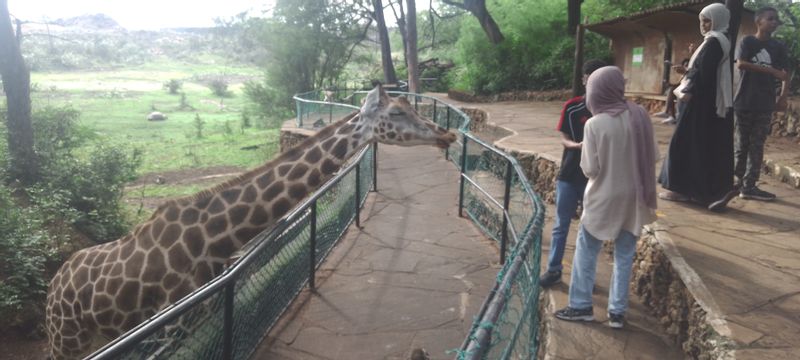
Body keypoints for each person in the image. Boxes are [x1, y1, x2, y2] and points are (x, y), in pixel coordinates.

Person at [554, 66, 658, 329]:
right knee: (625, 254)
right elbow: (653, 155)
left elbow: (590, 169)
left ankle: (580, 306)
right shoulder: (640, 115)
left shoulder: (595, 124)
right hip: (635, 197)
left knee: (587, 251)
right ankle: (617, 313)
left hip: (603, 196)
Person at [658, 3, 734, 208]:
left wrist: (690, 90)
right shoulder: (713, 42)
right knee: (695, 144)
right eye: (702, 21)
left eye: (708, 20)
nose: (704, 25)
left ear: (718, 20)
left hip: (698, 103)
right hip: (702, 101)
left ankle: (681, 189)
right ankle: (696, 190)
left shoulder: (714, 42)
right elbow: (700, 70)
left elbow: (704, 74)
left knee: (684, 143)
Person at [540, 59, 607, 288]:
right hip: (569, 174)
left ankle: (585, 275)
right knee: (561, 225)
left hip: (595, 179)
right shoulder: (573, 106)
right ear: (584, 79)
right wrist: (576, 145)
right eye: (589, 75)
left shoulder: (610, 111)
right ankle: (554, 269)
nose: (592, 80)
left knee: (590, 229)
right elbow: (564, 138)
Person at [731, 6, 790, 201]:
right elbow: (741, 63)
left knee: (757, 145)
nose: (774, 22)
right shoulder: (748, 41)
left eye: (776, 20)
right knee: (741, 145)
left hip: (765, 103)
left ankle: (749, 187)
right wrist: (772, 72)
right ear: (759, 22)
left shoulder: (778, 47)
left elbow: (785, 73)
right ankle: (734, 183)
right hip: (744, 101)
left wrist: (782, 96)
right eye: (770, 19)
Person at [655, 46, 693, 125]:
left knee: (673, 90)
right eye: (684, 65)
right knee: (672, 89)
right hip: (683, 90)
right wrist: (670, 84)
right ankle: (670, 115)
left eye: (687, 65)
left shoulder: (690, 72)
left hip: (689, 91)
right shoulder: (683, 74)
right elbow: (679, 84)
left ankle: (668, 113)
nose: (685, 66)